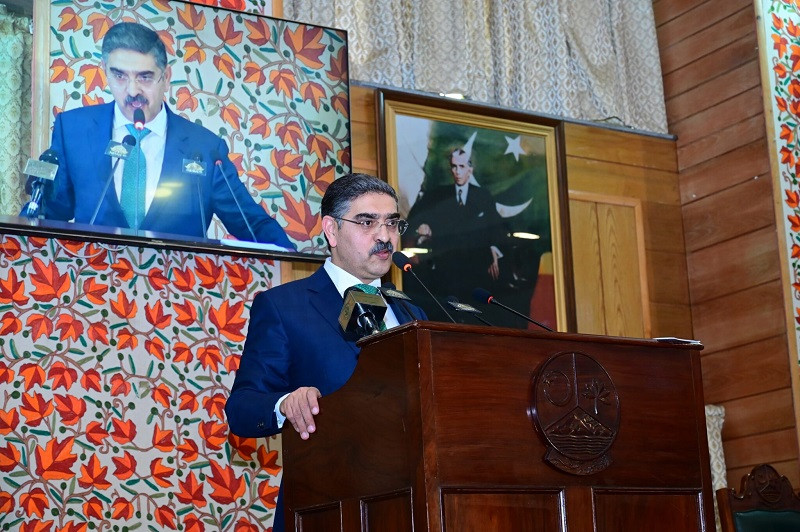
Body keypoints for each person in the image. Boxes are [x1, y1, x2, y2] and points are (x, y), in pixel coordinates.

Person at [225, 173, 426, 532]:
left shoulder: (411, 311)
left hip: (410, 506)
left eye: (392, 223)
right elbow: (242, 408)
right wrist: (285, 402)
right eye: (367, 222)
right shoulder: (285, 306)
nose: (385, 236)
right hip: (326, 507)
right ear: (331, 230)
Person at [41, 22, 294, 249]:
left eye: (145, 77)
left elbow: (251, 224)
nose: (132, 91)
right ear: (105, 71)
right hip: (92, 288)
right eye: (119, 75)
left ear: (166, 77)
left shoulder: (205, 148)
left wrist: (294, 268)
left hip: (178, 291)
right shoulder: (73, 130)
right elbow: (49, 212)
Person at [403, 147, 505, 317]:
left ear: (470, 169)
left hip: (474, 272)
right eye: (454, 167)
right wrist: (422, 226)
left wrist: (493, 248)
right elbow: (412, 222)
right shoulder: (437, 196)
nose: (457, 172)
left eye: (462, 167)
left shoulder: (482, 196)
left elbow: (495, 228)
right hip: (444, 273)